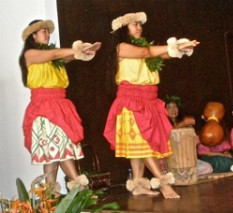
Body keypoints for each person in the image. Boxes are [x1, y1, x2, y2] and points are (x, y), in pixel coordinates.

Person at [103, 12, 199, 199]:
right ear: (124, 29)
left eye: (140, 24)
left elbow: (158, 55)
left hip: (148, 100)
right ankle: (163, 184)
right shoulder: (121, 47)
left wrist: (181, 50)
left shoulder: (142, 48)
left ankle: (138, 185)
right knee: (144, 144)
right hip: (132, 101)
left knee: (137, 148)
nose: (139, 27)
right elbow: (146, 52)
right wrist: (176, 45)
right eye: (134, 24)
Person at [19, 19, 101, 192]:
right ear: (33, 35)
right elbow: (55, 54)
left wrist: (84, 51)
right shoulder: (31, 54)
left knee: (52, 155)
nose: (47, 34)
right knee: (60, 148)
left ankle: (50, 197)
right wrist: (77, 49)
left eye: (48, 31)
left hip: (59, 105)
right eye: (43, 31)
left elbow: (66, 58)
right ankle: (79, 188)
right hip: (44, 108)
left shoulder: (52, 57)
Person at [165, 95, 213, 175]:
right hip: (171, 160)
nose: (173, 109)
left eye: (175, 106)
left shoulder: (187, 126)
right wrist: (183, 123)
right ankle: (179, 174)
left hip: (187, 158)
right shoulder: (162, 124)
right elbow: (168, 134)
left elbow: (195, 141)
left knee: (208, 167)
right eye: (169, 107)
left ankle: (182, 174)